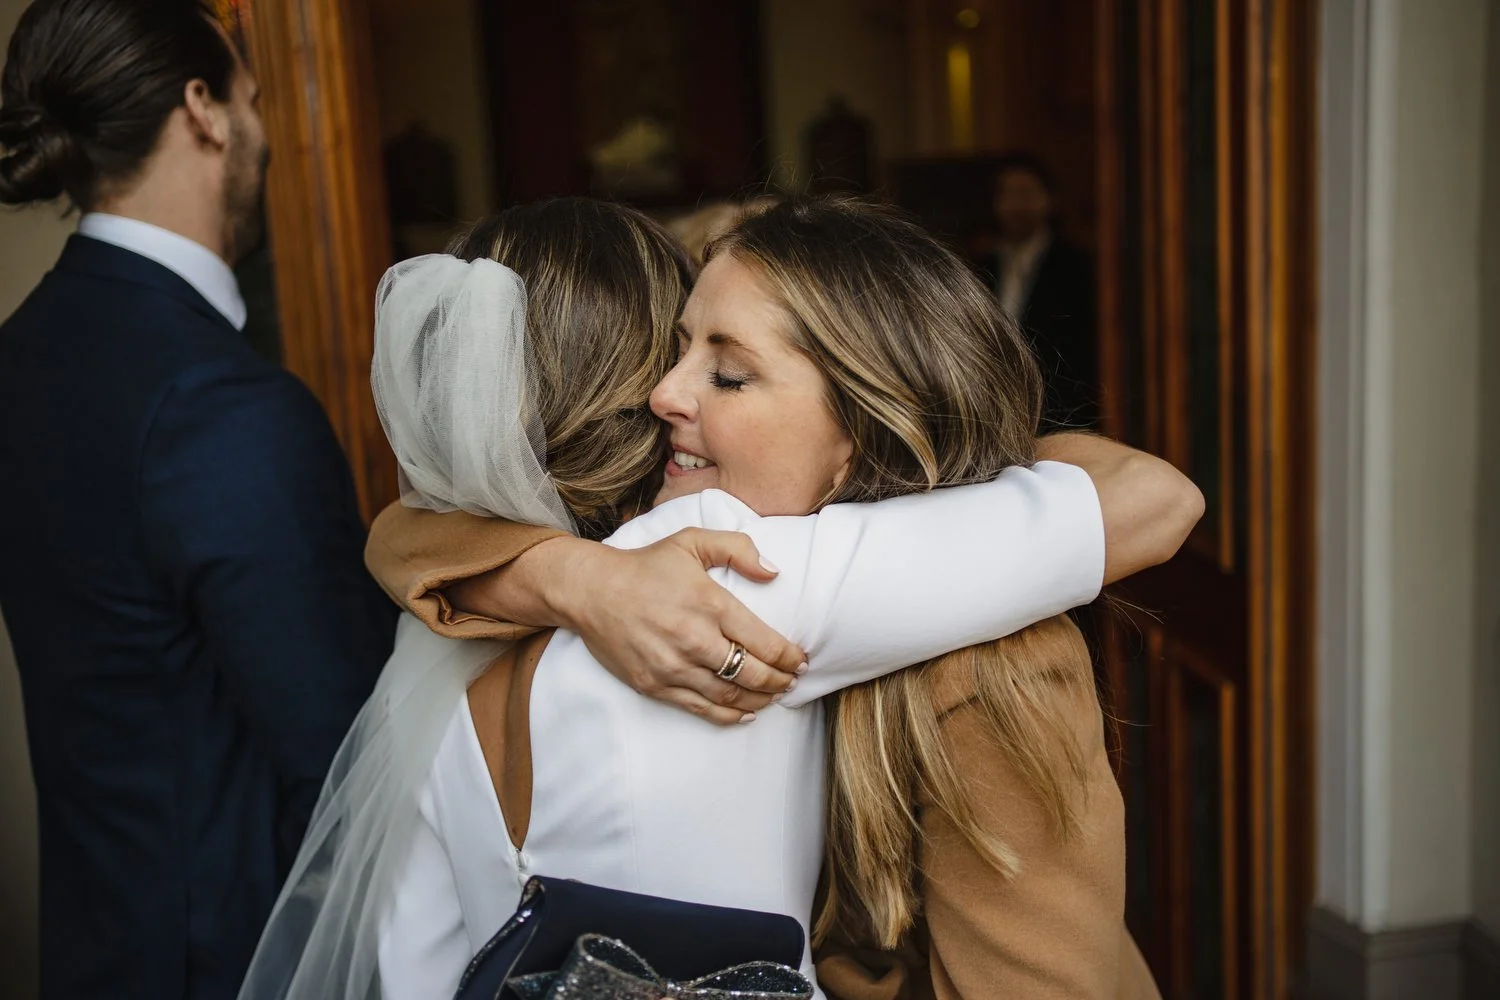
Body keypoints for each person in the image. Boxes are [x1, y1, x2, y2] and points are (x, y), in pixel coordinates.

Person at [327, 198, 1194, 998]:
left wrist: (566, 576)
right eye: (674, 353)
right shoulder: (703, 568)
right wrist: (577, 577)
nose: (666, 394)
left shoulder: (459, 633)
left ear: (862, 431)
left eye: (728, 373)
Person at [0, 3, 395, 998]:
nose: (261, 132)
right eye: (251, 100)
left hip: (97, 952)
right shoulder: (224, 405)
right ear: (202, 110)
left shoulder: (21, 357)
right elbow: (345, 773)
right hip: (238, 964)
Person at [978, 154, 1099, 430]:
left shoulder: (1075, 265)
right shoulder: (983, 265)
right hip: (997, 412)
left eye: (1025, 194)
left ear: (1049, 199)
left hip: (1060, 413)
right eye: (1007, 195)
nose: (1015, 205)